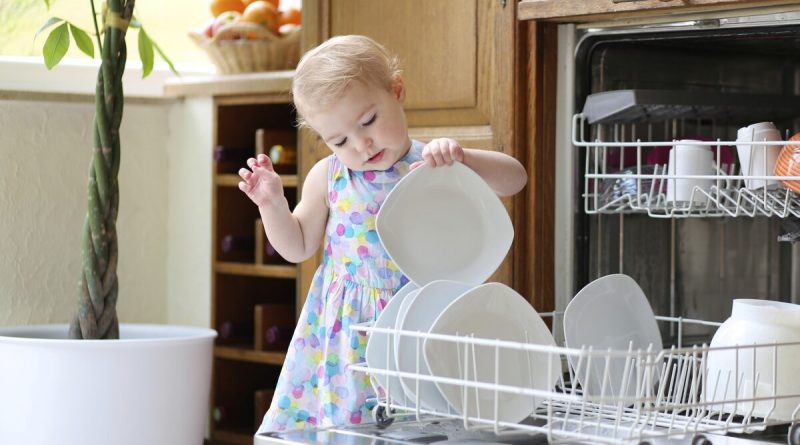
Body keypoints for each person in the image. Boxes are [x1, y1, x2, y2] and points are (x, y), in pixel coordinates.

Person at [238, 34, 527, 433]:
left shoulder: (435, 162)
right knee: (350, 426)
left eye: (368, 121)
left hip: (420, 320)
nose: (361, 144)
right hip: (349, 331)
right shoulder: (329, 176)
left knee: (427, 424)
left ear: (397, 90)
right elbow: (297, 246)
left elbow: (515, 179)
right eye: (339, 140)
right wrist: (271, 204)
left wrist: (465, 158)